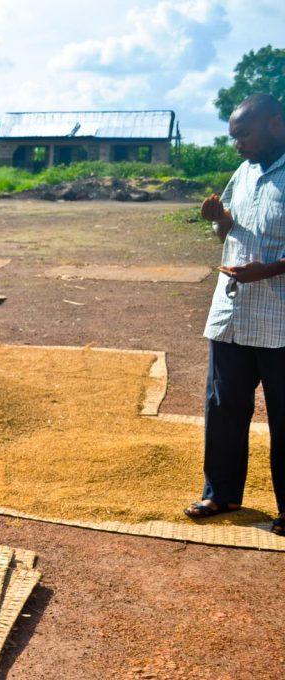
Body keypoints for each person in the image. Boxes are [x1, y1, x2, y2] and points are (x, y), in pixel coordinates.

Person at [184, 93, 285, 536]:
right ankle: (220, 493)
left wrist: (270, 269)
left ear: (276, 125)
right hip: (233, 312)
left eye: (243, 134)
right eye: (233, 136)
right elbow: (226, 229)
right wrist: (219, 218)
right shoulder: (242, 173)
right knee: (223, 406)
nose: (236, 144)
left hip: (280, 319)